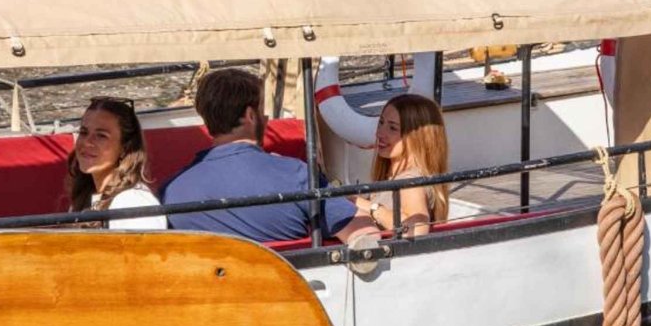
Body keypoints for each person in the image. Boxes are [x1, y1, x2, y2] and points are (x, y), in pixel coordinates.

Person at [164, 68, 379, 244]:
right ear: (250, 116)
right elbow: (363, 234)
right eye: (261, 110)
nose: (265, 117)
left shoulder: (171, 191)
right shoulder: (295, 175)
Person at [64, 96, 167, 229]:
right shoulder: (84, 199)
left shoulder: (134, 203)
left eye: (101, 136)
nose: (87, 142)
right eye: (83, 132)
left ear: (125, 147)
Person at [355, 95, 450, 236]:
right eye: (381, 123)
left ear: (417, 137)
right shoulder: (396, 176)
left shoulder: (410, 182)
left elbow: (416, 231)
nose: (380, 133)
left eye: (392, 128)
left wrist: (370, 207)